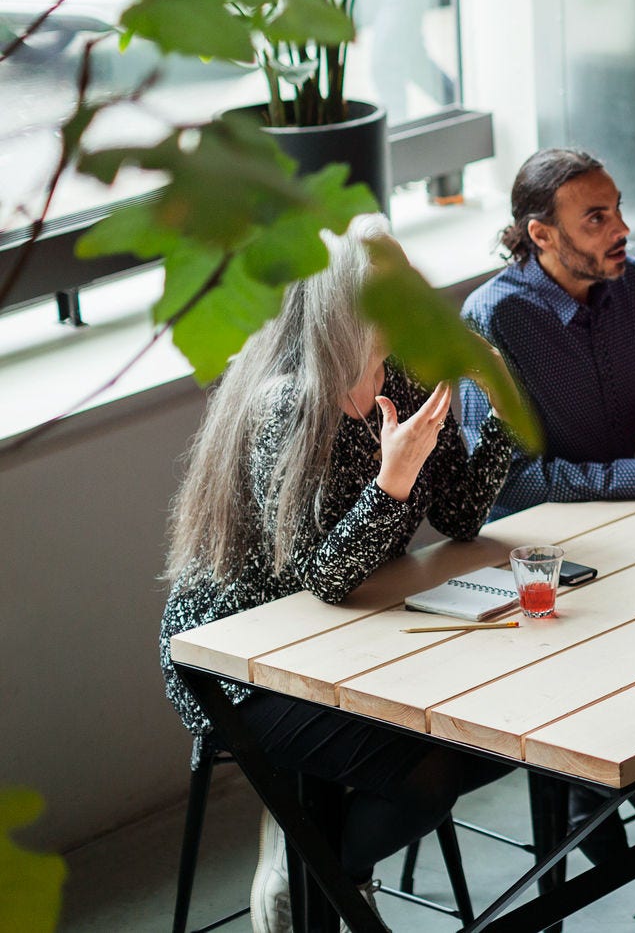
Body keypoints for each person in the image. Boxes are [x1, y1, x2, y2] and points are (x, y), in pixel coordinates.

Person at [157, 217, 516, 932]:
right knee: (428, 773)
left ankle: (312, 849)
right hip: (243, 662)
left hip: (354, 634)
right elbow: (318, 579)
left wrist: (500, 405)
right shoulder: (287, 402)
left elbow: (462, 516)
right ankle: (323, 876)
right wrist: (392, 479)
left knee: (503, 732)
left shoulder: (407, 381)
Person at [459, 148, 635, 517]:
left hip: (631, 512)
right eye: (596, 219)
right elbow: (508, 480)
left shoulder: (634, 281)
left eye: (617, 209)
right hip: (532, 538)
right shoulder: (492, 317)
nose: (623, 230)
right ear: (542, 234)